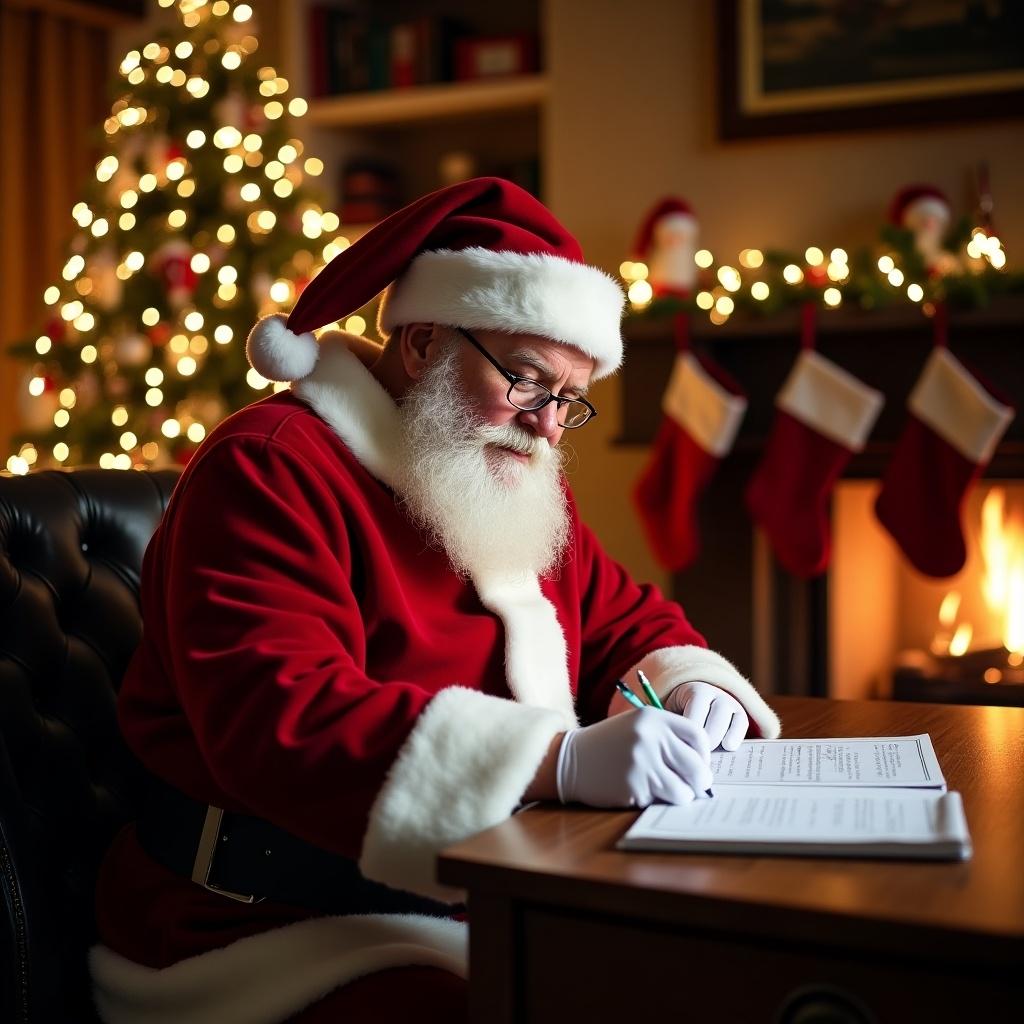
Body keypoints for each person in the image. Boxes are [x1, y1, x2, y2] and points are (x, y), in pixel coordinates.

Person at [90, 177, 781, 1022]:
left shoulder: (509, 479)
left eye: (569, 399)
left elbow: (621, 618)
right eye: (527, 382)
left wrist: (689, 684)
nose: (548, 428)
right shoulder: (267, 468)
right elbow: (279, 716)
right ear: (420, 343)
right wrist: (552, 759)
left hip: (478, 893)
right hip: (264, 928)